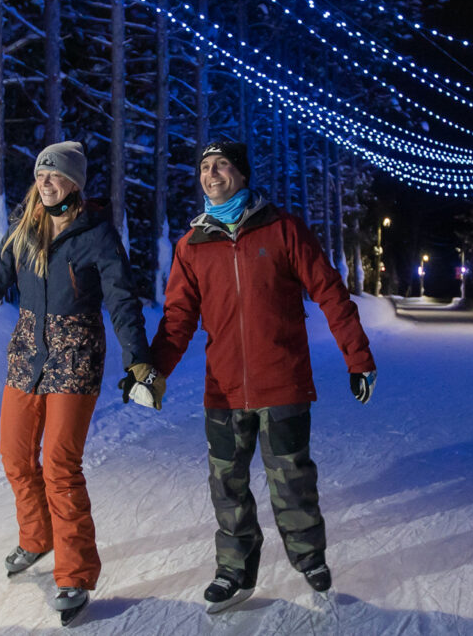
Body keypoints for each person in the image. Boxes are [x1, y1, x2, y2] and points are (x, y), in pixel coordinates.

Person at [0, 141, 165, 617]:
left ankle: (74, 575)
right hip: (28, 353)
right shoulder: (24, 232)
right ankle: (37, 537)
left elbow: (122, 301)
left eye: (55, 174)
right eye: (40, 174)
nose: (45, 181)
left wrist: (138, 359)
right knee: (14, 454)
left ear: (75, 182)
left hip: (76, 357)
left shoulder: (97, 235)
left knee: (58, 464)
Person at [150, 140, 377, 613]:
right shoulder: (191, 245)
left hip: (283, 382)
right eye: (205, 167)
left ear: (243, 173)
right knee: (226, 483)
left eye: (222, 166)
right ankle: (234, 570)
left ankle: (309, 557)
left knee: (291, 478)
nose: (211, 174)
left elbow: (331, 294)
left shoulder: (283, 229)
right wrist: (153, 372)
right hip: (223, 388)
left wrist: (358, 358)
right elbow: (177, 320)